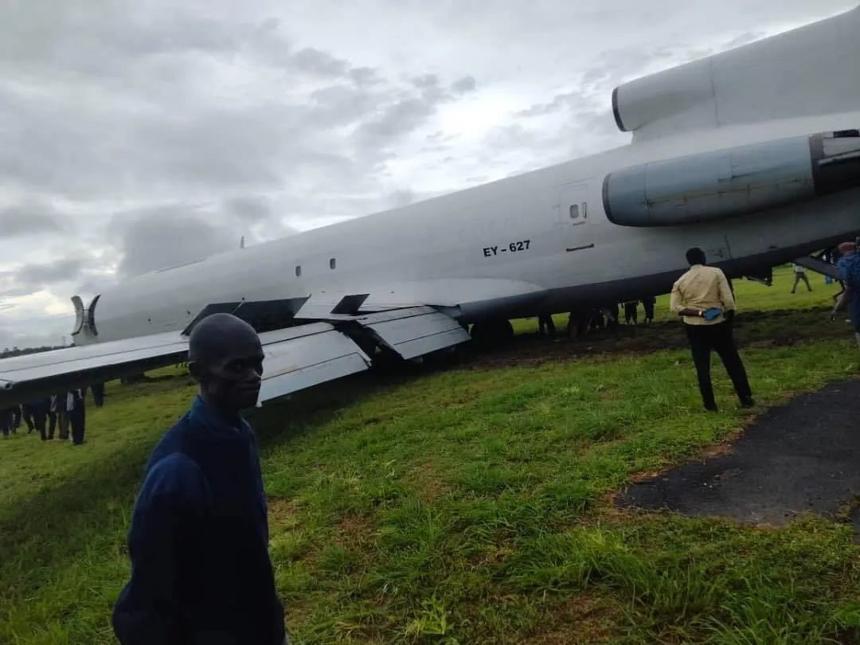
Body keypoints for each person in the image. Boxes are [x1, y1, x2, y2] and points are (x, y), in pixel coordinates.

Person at [113, 313, 287, 645]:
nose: (254, 377)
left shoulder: (240, 432)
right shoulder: (177, 470)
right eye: (237, 367)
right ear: (197, 372)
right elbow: (153, 591)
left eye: (257, 364)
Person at [671, 247, 754, 411]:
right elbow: (728, 300)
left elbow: (675, 308)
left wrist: (700, 313)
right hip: (718, 323)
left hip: (694, 326)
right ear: (703, 258)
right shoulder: (716, 272)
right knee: (732, 361)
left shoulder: (681, 281)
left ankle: (709, 404)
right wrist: (727, 316)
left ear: (688, 261)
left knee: (702, 367)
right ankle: (745, 398)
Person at [836, 241, 860, 348]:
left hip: (854, 293)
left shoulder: (842, 262)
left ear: (842, 251)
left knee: (858, 324)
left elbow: (846, 279)